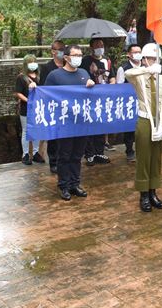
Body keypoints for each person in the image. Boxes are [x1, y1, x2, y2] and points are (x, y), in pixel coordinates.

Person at [44, 45, 95, 200]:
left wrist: (91, 86)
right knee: (64, 155)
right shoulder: (55, 75)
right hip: (64, 123)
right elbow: (46, 96)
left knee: (77, 155)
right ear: (66, 57)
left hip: (81, 122)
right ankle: (64, 185)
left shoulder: (84, 73)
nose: (78, 57)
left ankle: (75, 183)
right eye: (75, 54)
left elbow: (90, 98)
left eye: (80, 54)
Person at [125, 44, 162, 212]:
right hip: (145, 121)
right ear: (143, 60)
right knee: (144, 157)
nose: (151, 61)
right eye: (149, 58)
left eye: (154, 59)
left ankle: (153, 191)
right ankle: (143, 194)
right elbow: (127, 73)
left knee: (156, 157)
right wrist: (147, 71)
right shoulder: (139, 76)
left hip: (159, 122)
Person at [80, 38, 114, 167]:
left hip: (104, 98)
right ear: (91, 47)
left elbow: (112, 77)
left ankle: (100, 152)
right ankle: (89, 154)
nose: (100, 47)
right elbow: (82, 77)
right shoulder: (85, 61)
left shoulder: (107, 61)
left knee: (101, 125)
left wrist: (112, 85)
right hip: (89, 98)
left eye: (102, 45)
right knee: (89, 126)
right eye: (97, 45)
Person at [39, 40, 66, 174]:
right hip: (53, 105)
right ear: (53, 52)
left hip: (67, 106)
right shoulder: (46, 67)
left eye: (63, 49)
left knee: (66, 135)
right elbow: (43, 87)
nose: (61, 51)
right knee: (54, 135)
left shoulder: (68, 65)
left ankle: (65, 160)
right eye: (59, 49)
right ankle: (53, 162)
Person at [14, 54, 43, 165]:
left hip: (39, 108)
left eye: (34, 61)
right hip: (26, 108)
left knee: (37, 129)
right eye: (30, 62)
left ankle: (35, 153)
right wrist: (29, 100)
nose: (33, 64)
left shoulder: (39, 76)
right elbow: (18, 93)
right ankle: (25, 154)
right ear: (26, 64)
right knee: (26, 131)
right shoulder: (21, 77)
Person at [116, 44, 143, 161]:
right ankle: (129, 150)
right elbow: (119, 86)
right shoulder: (123, 68)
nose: (138, 54)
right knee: (130, 128)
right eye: (135, 52)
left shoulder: (146, 66)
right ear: (129, 54)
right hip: (129, 102)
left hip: (143, 101)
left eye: (139, 51)